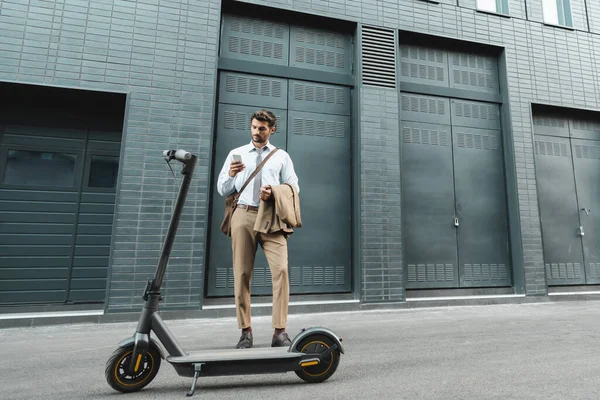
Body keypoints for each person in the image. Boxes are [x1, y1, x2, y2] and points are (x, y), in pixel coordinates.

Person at [217, 109, 300, 349]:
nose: (256, 132)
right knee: (242, 273)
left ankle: (280, 331)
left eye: (262, 128)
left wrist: (274, 192)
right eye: (254, 127)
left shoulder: (281, 156)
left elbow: (294, 187)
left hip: (271, 216)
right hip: (242, 213)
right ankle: (245, 331)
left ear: (272, 130)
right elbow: (222, 189)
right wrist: (231, 176)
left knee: (281, 270)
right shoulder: (237, 153)